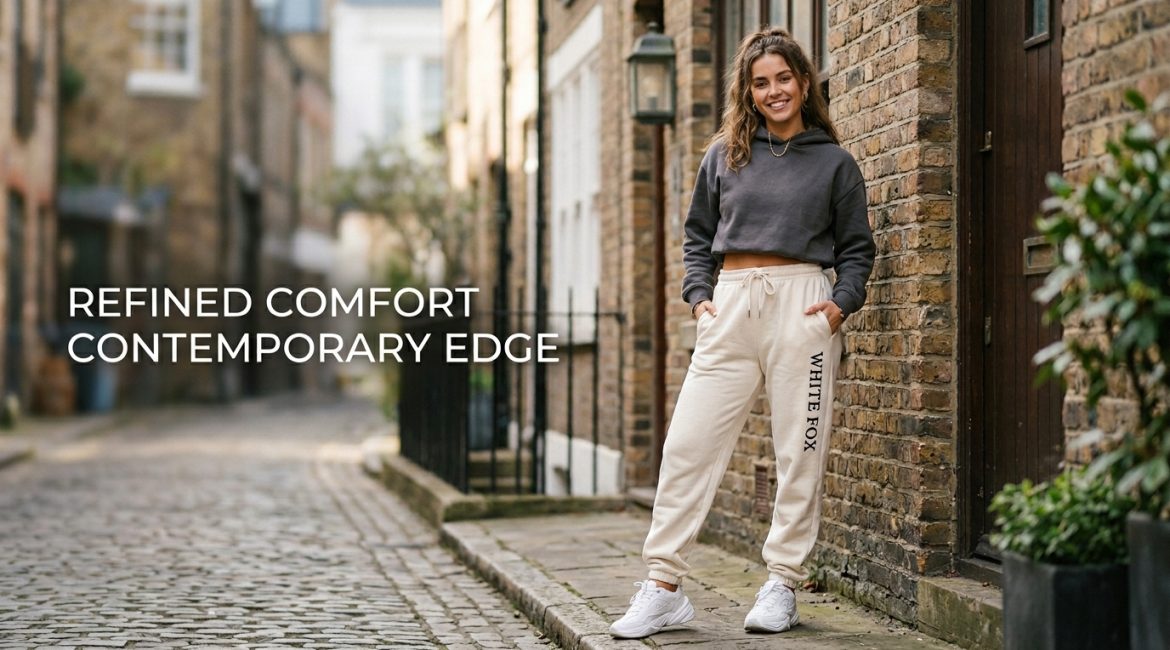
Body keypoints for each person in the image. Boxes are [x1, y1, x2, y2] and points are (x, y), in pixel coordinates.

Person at [608, 26, 875, 639]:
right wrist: (700, 300)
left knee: (799, 452)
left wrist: (837, 306)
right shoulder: (723, 155)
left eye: (784, 78)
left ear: (804, 83)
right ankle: (663, 586)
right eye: (761, 83)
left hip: (804, 307)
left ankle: (782, 581)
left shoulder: (834, 163)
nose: (774, 91)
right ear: (748, 92)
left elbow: (858, 251)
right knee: (686, 446)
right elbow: (697, 237)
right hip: (730, 307)